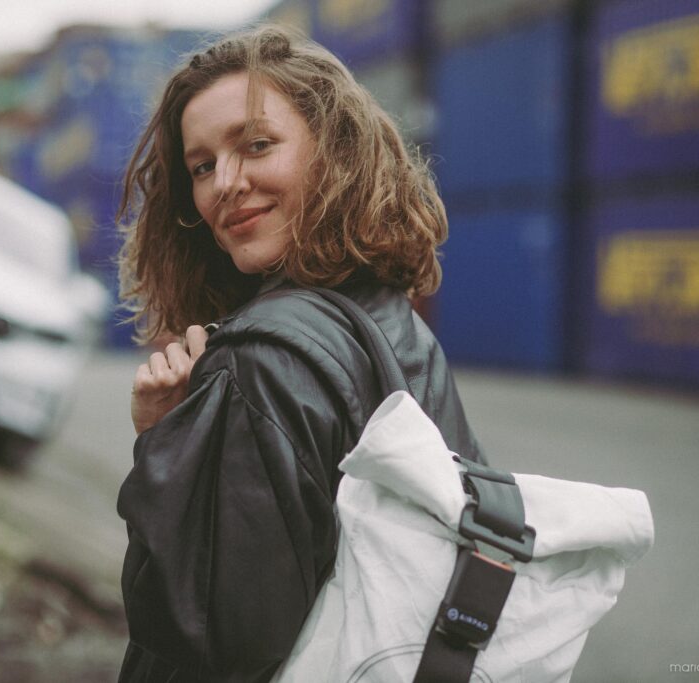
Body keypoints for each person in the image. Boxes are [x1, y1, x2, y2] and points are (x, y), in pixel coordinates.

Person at [115, 24, 485, 682]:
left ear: (333, 149)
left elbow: (209, 641)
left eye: (256, 145)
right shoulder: (392, 323)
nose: (225, 183)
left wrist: (161, 447)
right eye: (202, 166)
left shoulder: (259, 358)